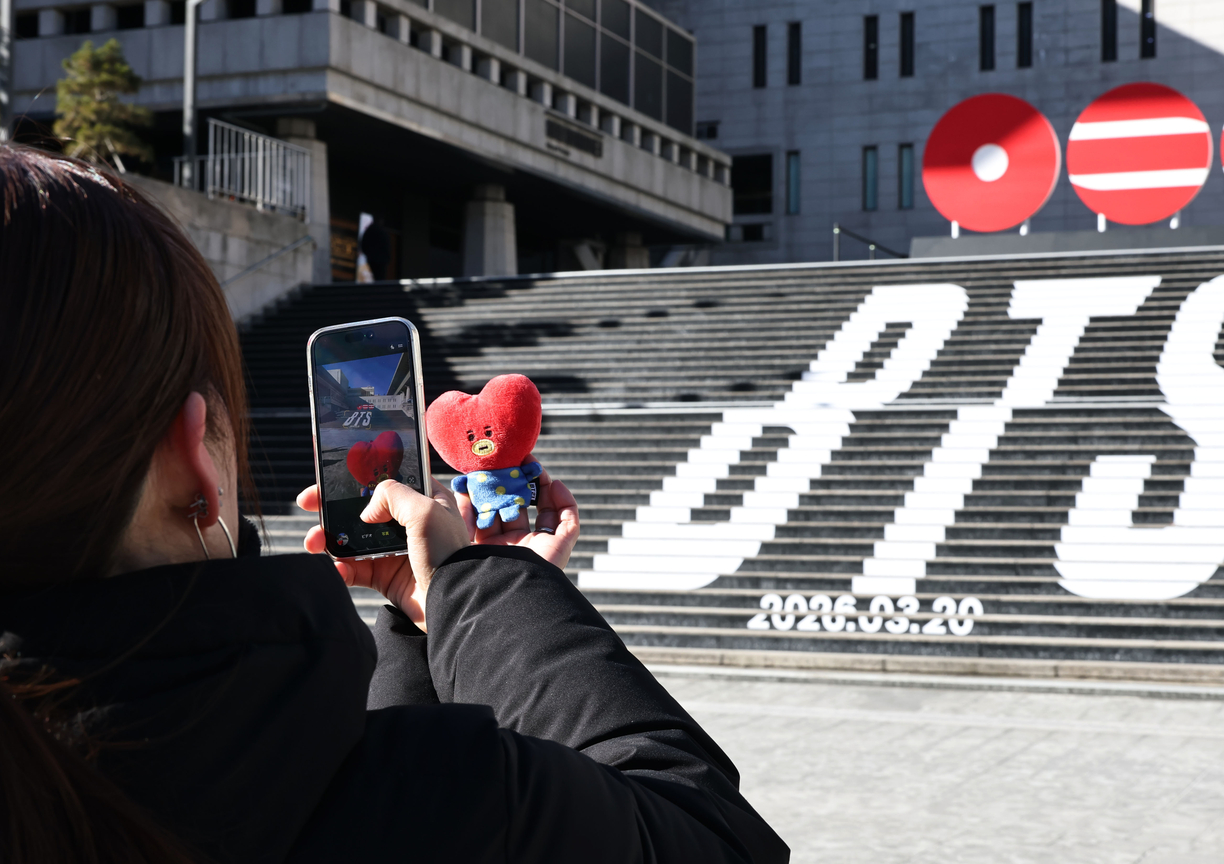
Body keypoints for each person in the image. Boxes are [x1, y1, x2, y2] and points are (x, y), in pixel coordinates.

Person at [0, 145, 788, 864]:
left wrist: (417, 627)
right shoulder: (454, 801)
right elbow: (713, 839)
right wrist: (482, 585)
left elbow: (347, 776)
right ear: (192, 462)